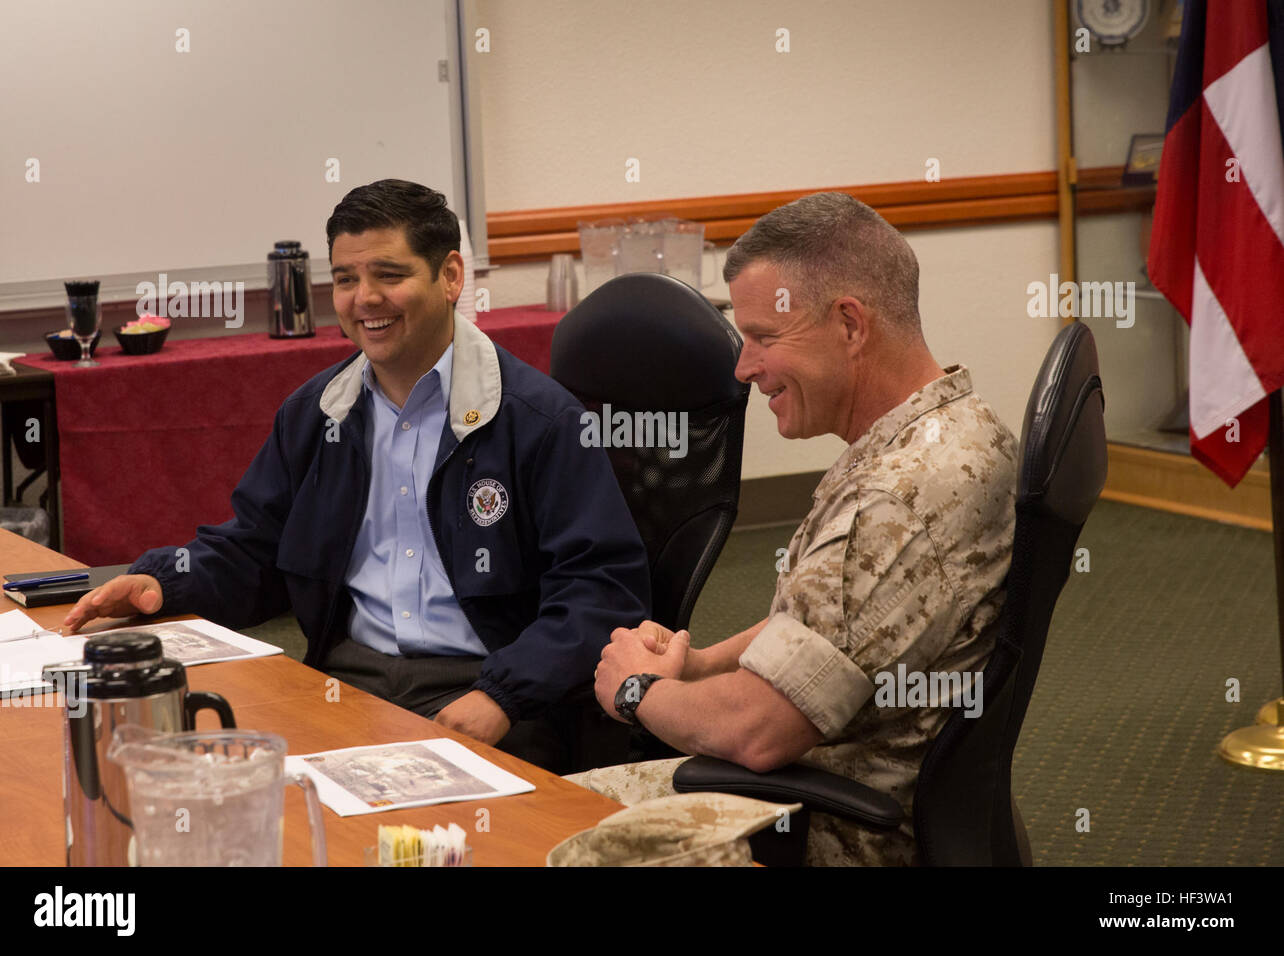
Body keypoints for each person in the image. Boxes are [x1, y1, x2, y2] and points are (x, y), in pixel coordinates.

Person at [64, 179, 651, 773]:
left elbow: (601, 589)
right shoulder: (316, 413)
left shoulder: (538, 420)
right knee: (227, 794)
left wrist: (504, 694)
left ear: (450, 276)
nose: (364, 299)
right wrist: (164, 584)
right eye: (345, 279)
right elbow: (256, 549)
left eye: (389, 275)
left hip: (488, 689)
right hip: (347, 680)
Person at [573, 191, 1017, 864]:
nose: (743, 369)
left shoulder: (898, 496)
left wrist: (638, 692)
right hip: (852, 791)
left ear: (850, 325)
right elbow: (831, 633)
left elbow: (760, 731)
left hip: (830, 828)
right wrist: (697, 665)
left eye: (764, 338)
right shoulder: (953, 426)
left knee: (548, 823)